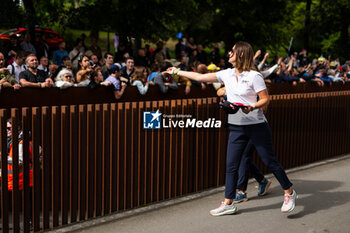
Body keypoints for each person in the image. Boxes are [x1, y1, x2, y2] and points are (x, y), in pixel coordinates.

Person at [165, 41, 297, 216]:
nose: (229, 54)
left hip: (256, 126)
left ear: (241, 55)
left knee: (270, 161)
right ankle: (228, 203)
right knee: (231, 165)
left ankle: (289, 192)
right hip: (236, 126)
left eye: (232, 52)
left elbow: (265, 99)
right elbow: (200, 77)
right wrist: (176, 71)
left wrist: (252, 107)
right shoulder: (226, 74)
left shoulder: (254, 76)